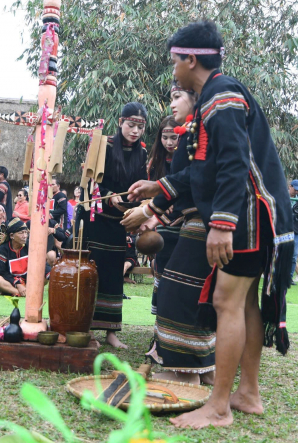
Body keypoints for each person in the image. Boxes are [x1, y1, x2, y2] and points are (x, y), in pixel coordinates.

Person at [130, 21, 293, 429]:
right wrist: (159, 186)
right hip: (255, 212)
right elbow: (200, 172)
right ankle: (248, 394)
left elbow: (234, 164)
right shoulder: (211, 98)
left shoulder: (221, 95)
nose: (173, 72)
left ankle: (219, 407)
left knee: (227, 302)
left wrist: (221, 226)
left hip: (247, 215)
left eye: (174, 62)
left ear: (190, 59)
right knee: (245, 303)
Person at [122, 82, 216, 385]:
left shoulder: (202, 130)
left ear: (195, 98)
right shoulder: (194, 131)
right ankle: (204, 368)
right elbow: (186, 179)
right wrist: (154, 206)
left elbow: (193, 177)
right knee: (194, 295)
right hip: (196, 220)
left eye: (177, 97)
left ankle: (185, 373)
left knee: (178, 293)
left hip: (208, 221)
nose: (172, 104)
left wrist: (150, 210)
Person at [83, 101, 148, 350]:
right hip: (95, 219)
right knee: (92, 273)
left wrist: (135, 201)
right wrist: (108, 194)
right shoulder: (103, 145)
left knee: (113, 275)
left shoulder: (142, 153)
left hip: (119, 221)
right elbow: (90, 181)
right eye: (131, 125)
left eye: (140, 127)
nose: (135, 131)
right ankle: (86, 328)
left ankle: (111, 332)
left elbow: (141, 185)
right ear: (120, 122)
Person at [0, 218, 31, 296]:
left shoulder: (29, 245)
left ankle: (12, 291)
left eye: (26, 233)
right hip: (10, 281)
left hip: (27, 280)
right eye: (21, 233)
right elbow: (2, 272)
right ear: (12, 235)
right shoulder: (3, 249)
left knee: (43, 275)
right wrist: (17, 284)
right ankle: (17, 292)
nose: (25, 236)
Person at [146, 115, 179, 181]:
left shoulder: (190, 159)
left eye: (174, 138)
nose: (169, 143)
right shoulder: (155, 161)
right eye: (165, 138)